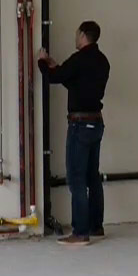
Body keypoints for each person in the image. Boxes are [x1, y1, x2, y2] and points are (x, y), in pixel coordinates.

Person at [37, 20, 110, 245]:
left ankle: (80, 232)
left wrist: (41, 62)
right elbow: (76, 83)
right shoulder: (102, 61)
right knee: (92, 176)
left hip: (80, 125)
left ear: (83, 35)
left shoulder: (79, 59)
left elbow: (55, 77)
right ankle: (96, 227)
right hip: (96, 123)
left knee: (76, 178)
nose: (75, 37)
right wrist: (56, 66)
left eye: (77, 34)